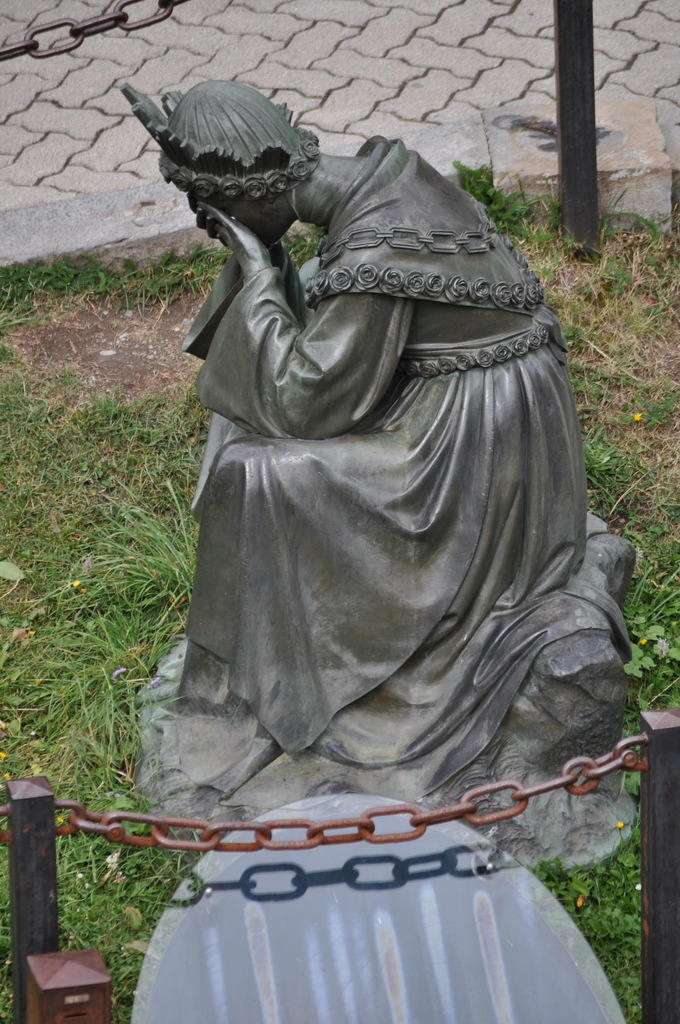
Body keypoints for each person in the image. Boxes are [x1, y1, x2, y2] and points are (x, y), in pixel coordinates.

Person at [124, 81, 631, 821]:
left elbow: (307, 399)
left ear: (252, 196)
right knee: (251, 436)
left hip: (475, 458)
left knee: (257, 470)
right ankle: (268, 661)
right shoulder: (381, 173)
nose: (212, 231)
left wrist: (263, 277)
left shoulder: (375, 246)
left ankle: (281, 685)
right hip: (476, 410)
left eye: (215, 216)